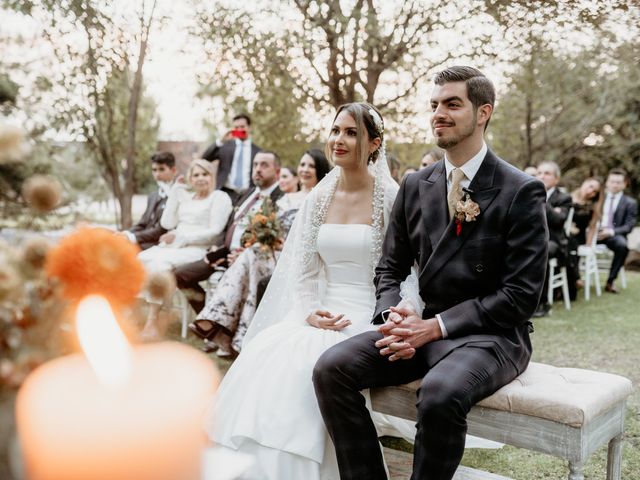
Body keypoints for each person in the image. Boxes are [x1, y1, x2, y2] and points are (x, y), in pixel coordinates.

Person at [313, 66, 548, 480]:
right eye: (435, 105)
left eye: (453, 104)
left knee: (438, 394)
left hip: (491, 337)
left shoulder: (520, 190)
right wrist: (393, 318)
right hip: (419, 330)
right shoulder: (415, 184)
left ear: (483, 113)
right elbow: (390, 267)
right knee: (331, 368)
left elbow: (520, 296)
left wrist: (435, 327)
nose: (439, 113)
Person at [206, 103, 405, 479]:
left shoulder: (391, 199)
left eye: (351, 133)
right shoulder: (318, 199)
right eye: (335, 131)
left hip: (368, 311)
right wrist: (310, 309)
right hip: (319, 310)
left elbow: (403, 272)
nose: (339, 140)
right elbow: (305, 271)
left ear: (374, 143)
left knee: (315, 361)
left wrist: (387, 315)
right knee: (271, 353)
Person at [190, 149, 332, 357]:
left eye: (310, 165)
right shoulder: (286, 199)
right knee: (252, 255)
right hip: (271, 256)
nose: (304, 169)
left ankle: (217, 319)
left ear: (320, 169)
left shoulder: (324, 199)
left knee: (252, 256)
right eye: (302, 164)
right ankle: (239, 339)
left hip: (299, 260)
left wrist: (282, 246)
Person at [173, 152, 283, 314]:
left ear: (277, 171)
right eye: (255, 165)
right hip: (223, 253)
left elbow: (272, 238)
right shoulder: (249, 193)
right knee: (179, 275)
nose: (258, 169)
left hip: (249, 258)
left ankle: (217, 321)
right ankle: (208, 317)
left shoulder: (280, 199)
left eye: (264, 165)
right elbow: (228, 226)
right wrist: (217, 247)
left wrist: (243, 253)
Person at [137, 159, 232, 273]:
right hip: (173, 247)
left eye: (205, 174)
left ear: (212, 177)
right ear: (190, 179)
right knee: (139, 260)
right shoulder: (187, 198)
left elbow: (215, 231)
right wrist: (174, 192)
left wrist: (180, 237)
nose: (200, 178)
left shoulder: (219, 197)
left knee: (158, 266)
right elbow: (167, 223)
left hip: (198, 249)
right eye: (196, 175)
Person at [533, 161, 572, 317]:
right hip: (531, 238)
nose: (542, 176)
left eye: (547, 173)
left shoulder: (564, 198)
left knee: (539, 251)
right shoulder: (526, 192)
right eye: (539, 173)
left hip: (554, 242)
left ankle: (541, 303)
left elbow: (558, 220)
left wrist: (542, 198)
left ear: (556, 179)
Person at [122, 151, 177, 250]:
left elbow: (161, 230)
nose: (157, 174)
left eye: (161, 169)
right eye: (154, 170)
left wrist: (132, 237)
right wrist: (126, 233)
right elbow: (143, 223)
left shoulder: (177, 195)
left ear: (173, 170)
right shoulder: (153, 196)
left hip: (161, 243)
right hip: (145, 240)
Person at [202, 113, 262, 202]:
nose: (240, 130)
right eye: (236, 127)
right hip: (225, 193)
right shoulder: (225, 146)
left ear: (249, 127)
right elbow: (205, 159)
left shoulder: (258, 151)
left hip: (249, 194)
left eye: (242, 127)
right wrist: (220, 141)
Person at [597, 168, 638, 293]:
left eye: (618, 182)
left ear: (625, 184)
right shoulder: (598, 197)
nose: (615, 185)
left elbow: (629, 226)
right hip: (595, 233)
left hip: (613, 235)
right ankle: (575, 280)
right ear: (607, 183)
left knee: (622, 246)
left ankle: (610, 281)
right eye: (612, 181)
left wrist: (610, 232)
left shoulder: (630, 202)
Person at [567, 177, 602, 297]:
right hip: (564, 233)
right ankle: (575, 279)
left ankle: (573, 281)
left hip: (578, 237)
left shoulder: (592, 206)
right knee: (566, 243)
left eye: (595, 191)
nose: (590, 191)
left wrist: (589, 243)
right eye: (590, 186)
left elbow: (592, 227)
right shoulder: (567, 197)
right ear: (584, 182)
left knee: (570, 244)